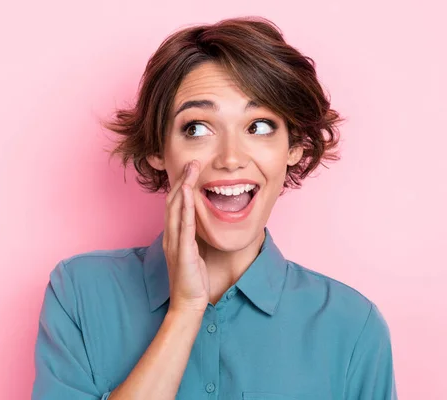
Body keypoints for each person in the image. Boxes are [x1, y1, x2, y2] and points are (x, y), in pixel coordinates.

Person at [31, 16, 397, 400]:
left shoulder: (353, 327)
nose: (230, 158)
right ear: (158, 149)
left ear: (294, 148)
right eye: (197, 129)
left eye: (258, 126)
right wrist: (185, 311)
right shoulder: (80, 293)